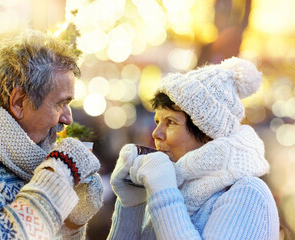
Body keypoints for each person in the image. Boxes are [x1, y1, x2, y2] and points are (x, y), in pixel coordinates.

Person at [108, 57, 280, 239]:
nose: (156, 133)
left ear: (207, 132)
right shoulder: (170, 184)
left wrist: (163, 193)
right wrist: (131, 204)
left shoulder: (247, 193)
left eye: (170, 122)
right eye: (157, 121)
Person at [0, 30, 103, 240]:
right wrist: (61, 170)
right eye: (61, 103)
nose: (67, 118)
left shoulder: (24, 155)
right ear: (18, 103)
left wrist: (72, 221)